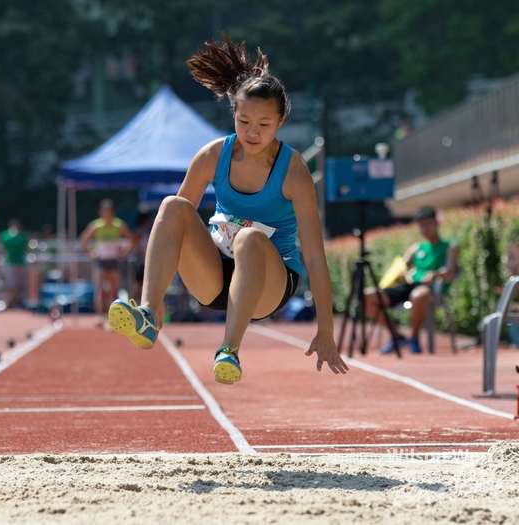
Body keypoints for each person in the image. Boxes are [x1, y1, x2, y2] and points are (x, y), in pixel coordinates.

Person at [107, 33, 347, 384]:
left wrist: (325, 329)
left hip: (269, 283)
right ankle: (146, 313)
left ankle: (229, 350)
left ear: (281, 121)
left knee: (249, 238)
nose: (252, 133)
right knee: (172, 205)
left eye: (264, 125)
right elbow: (172, 229)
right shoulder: (212, 156)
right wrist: (156, 293)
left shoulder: (294, 172)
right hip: (216, 274)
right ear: (233, 113)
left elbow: (313, 256)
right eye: (243, 121)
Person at [364, 207, 460, 355]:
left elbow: (451, 271)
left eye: (428, 224)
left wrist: (435, 275)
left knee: (418, 295)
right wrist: (402, 273)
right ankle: (397, 337)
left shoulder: (450, 246)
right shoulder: (416, 248)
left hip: (430, 289)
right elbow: (401, 266)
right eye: (421, 225)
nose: (425, 229)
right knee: (367, 296)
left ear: (436, 223)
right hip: (409, 286)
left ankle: (414, 338)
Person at [79, 199, 134, 325]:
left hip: (114, 260)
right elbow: (84, 239)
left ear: (113, 212)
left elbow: (131, 239)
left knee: (112, 290)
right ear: (101, 212)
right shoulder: (96, 226)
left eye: (109, 212)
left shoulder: (119, 225)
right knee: (100, 289)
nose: (107, 214)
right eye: (105, 211)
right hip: (101, 260)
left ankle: (111, 317)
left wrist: (124, 251)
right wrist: (91, 252)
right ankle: (99, 316)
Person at [0, 219, 28, 308]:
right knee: (12, 283)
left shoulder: (20, 237)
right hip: (11, 263)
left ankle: (15, 300)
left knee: (16, 283)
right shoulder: (7, 236)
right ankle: (13, 299)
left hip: (16, 263)